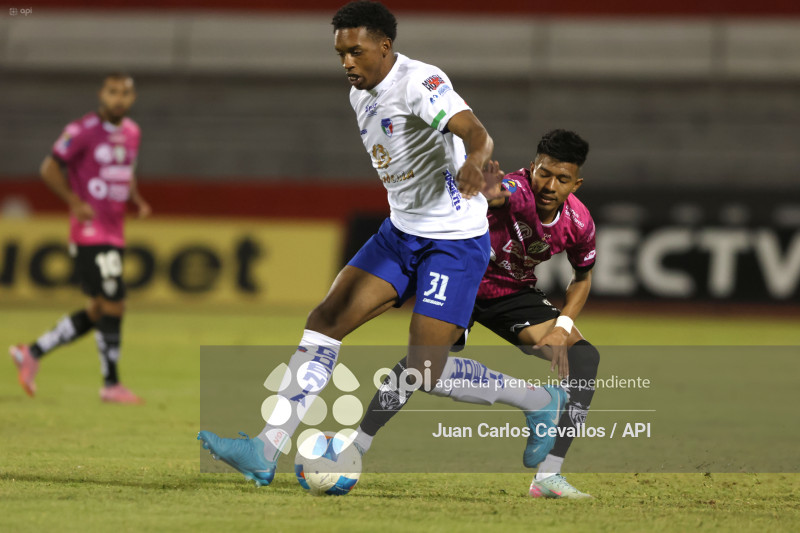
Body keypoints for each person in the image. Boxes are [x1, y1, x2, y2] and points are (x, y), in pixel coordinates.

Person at [197, 0, 567, 487]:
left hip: (453, 243)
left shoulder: (419, 82)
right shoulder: (361, 94)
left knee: (426, 371)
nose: (347, 63)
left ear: (385, 46)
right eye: (340, 54)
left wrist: (474, 163)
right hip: (400, 233)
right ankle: (264, 449)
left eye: (356, 52)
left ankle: (539, 401)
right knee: (325, 321)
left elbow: (475, 131)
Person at [354, 129, 600, 499]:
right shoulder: (517, 190)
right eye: (544, 174)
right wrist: (493, 195)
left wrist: (563, 327)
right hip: (462, 277)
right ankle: (356, 447)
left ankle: (549, 475)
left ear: (576, 183)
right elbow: (502, 196)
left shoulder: (579, 224)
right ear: (532, 168)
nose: (550, 185)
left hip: (511, 292)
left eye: (562, 179)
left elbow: (582, 278)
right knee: (420, 370)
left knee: (585, 359)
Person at [9, 72, 150, 404]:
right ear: (102, 93)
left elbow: (125, 170)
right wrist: (74, 202)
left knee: (100, 309)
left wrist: (136, 198)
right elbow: (49, 168)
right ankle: (111, 384)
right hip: (90, 231)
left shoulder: (132, 132)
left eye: (125, 93)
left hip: (114, 230)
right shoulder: (82, 130)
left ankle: (30, 352)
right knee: (115, 300)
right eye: (112, 91)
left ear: (133, 98)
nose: (118, 98)